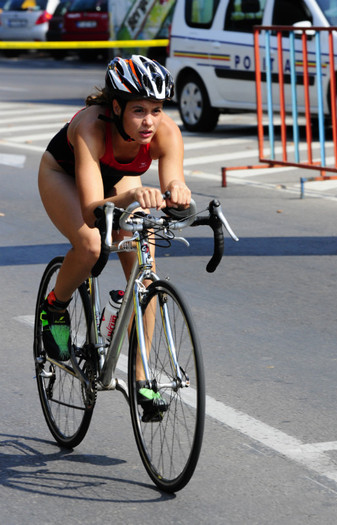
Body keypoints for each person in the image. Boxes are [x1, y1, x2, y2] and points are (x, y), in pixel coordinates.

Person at [38, 55, 191, 420]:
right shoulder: (90, 127)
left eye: (156, 109)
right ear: (117, 106)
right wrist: (133, 196)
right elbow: (92, 208)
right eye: (139, 110)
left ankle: (141, 378)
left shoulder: (165, 131)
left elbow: (174, 179)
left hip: (119, 181)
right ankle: (54, 308)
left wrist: (178, 191)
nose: (150, 121)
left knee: (145, 271)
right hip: (64, 176)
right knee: (91, 245)